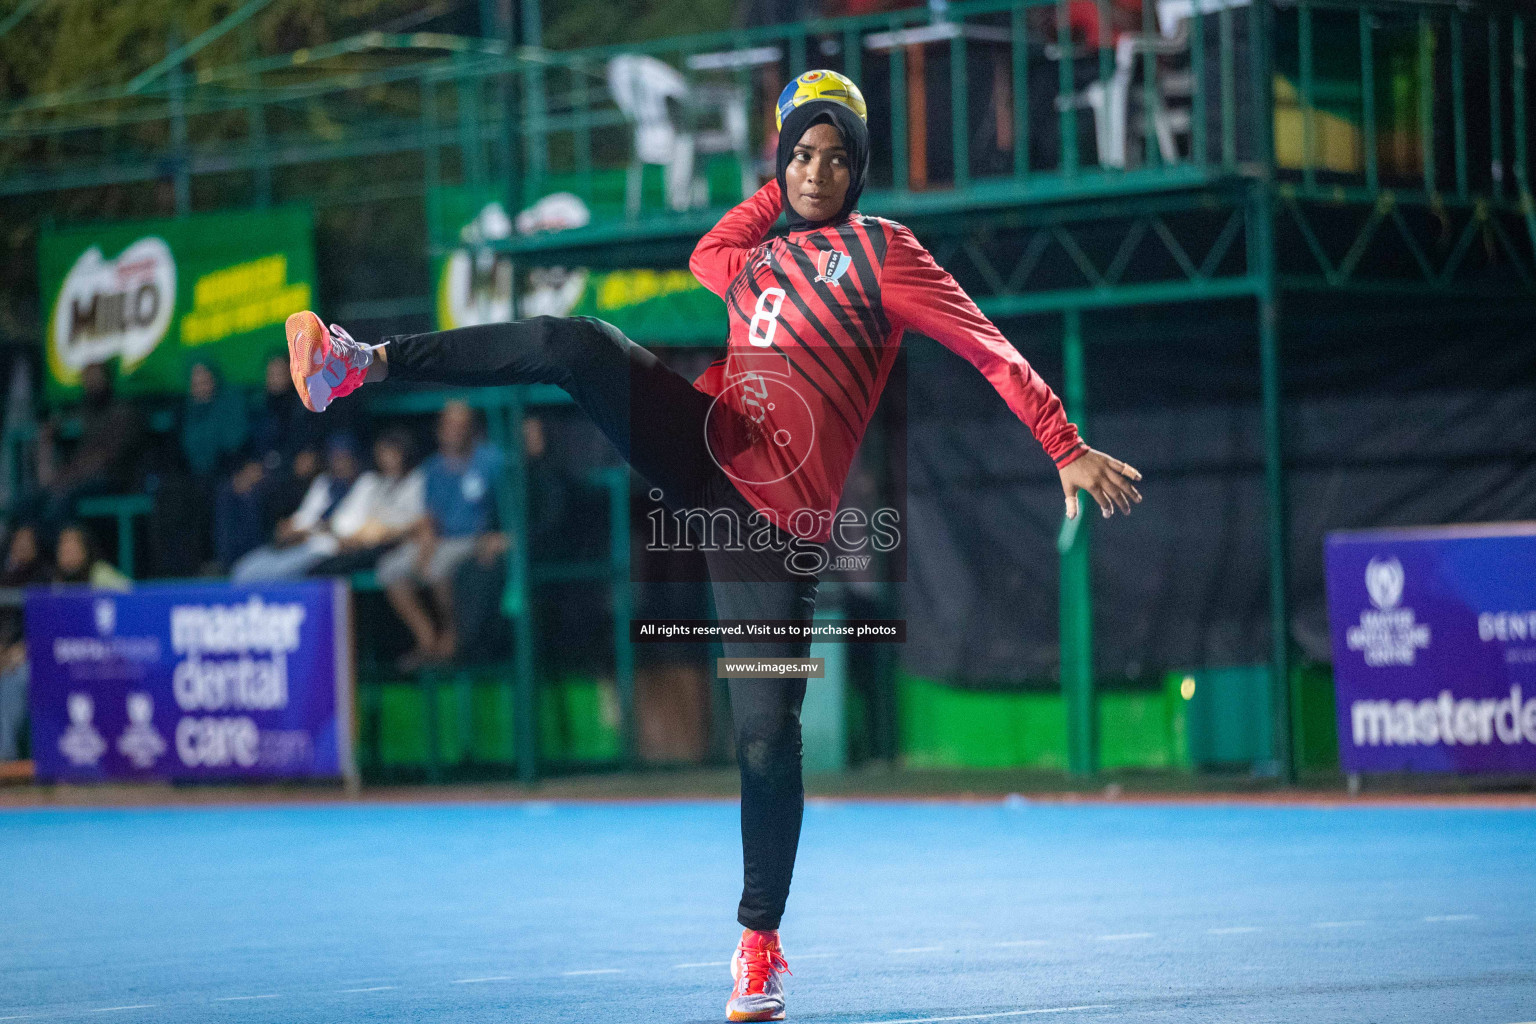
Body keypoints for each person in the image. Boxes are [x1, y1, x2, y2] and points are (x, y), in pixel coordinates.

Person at [282, 69, 1141, 1023]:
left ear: (862, 173)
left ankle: (760, 943)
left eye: (838, 158)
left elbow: (988, 346)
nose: (818, 171)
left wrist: (1061, 445)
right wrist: (790, 164)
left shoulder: (886, 253)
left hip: (771, 530)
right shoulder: (749, 259)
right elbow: (710, 248)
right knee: (573, 344)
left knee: (766, 739)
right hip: (704, 447)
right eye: (803, 156)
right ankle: (362, 363)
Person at [372, 402, 507, 670]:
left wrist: (503, 535)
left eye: (461, 425)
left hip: (475, 540)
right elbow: (429, 517)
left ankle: (453, 637)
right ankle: (427, 639)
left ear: (472, 428)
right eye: (450, 425)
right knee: (390, 569)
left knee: (437, 568)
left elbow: (508, 506)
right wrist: (426, 544)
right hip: (441, 540)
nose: (455, 431)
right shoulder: (433, 468)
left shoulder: (491, 461)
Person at [230, 434, 368, 582]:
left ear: (355, 459)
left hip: (325, 550)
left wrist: (308, 530)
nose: (339, 463)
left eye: (344, 458)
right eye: (335, 458)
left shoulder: (367, 483)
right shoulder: (324, 482)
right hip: (300, 544)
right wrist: (291, 527)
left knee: (255, 576)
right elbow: (305, 516)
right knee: (243, 569)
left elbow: (346, 527)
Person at [32, 362, 144, 531]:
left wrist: (69, 477)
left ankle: (61, 552)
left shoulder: (123, 412)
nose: (91, 381)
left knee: (62, 499)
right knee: (29, 501)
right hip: (79, 479)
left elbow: (105, 460)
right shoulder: (84, 411)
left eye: (95, 375)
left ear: (107, 377)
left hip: (111, 480)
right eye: (87, 376)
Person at [306, 428, 426, 577]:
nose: (386, 458)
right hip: (372, 544)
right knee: (325, 566)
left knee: (336, 568)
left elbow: (419, 522)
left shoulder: (417, 480)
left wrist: (388, 534)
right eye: (383, 453)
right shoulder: (379, 483)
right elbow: (369, 521)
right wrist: (356, 539)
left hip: (400, 544)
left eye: (391, 453)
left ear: (403, 453)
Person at [0, 524, 50, 761]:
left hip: (30, 656)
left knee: (15, 681)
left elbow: (50, 628)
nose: (22, 546)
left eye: (28, 541)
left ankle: (6, 761)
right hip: (4, 654)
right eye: (18, 540)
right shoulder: (3, 574)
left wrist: (22, 651)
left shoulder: (47, 578)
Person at [52, 523, 130, 590]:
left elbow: (130, 594)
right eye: (65, 551)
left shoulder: (101, 574)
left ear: (86, 550)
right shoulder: (54, 581)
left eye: (73, 550)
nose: (69, 557)